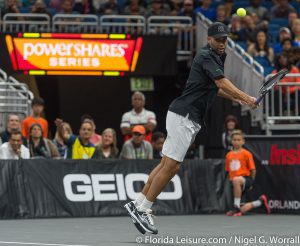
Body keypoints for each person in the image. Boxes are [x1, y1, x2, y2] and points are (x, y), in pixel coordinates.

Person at [124, 22, 258, 235]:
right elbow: (222, 83)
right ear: (209, 39)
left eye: (225, 40)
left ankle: (138, 202)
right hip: (184, 116)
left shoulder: (219, 56)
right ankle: (143, 209)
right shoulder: (205, 56)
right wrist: (246, 97)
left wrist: (239, 100)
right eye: (218, 40)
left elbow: (215, 88)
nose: (222, 44)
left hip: (183, 116)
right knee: (171, 168)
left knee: (165, 164)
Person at [225, 130, 270, 216]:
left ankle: (236, 207)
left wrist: (251, 183)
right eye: (234, 140)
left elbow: (253, 170)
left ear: (243, 141)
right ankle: (260, 202)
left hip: (246, 179)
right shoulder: (228, 155)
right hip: (234, 184)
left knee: (236, 180)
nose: (236, 142)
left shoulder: (247, 154)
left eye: (239, 140)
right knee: (243, 210)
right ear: (231, 141)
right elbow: (228, 171)